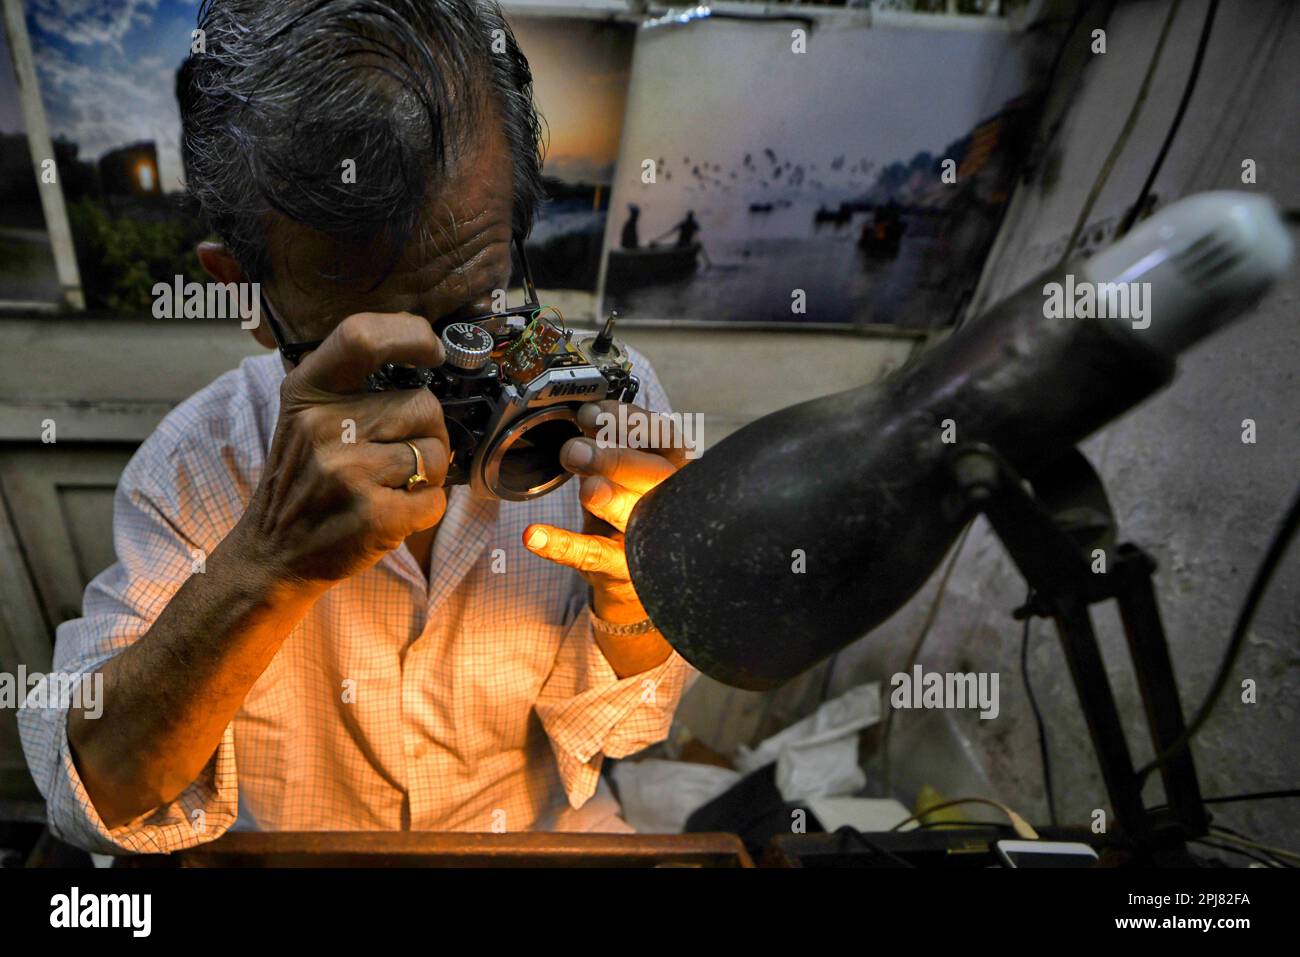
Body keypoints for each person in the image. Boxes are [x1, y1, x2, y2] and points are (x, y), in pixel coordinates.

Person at [18, 0, 696, 854]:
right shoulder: (194, 469)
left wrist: (635, 605)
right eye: (375, 360)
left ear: (513, 238)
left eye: (472, 317)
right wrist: (263, 565)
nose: (439, 396)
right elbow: (96, 800)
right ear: (246, 296)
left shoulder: (609, 417)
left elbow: (628, 731)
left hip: (526, 837)